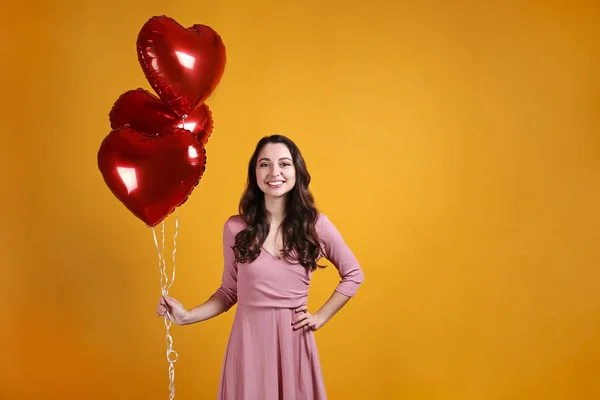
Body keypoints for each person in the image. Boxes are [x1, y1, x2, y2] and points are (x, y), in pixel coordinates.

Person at [156, 134, 364, 399]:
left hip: (293, 345)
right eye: (265, 164)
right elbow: (229, 292)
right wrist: (187, 316)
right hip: (248, 346)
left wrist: (320, 317)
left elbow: (353, 274)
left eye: (284, 164)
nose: (274, 172)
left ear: (296, 171)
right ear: (255, 172)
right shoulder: (235, 228)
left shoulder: (316, 225)